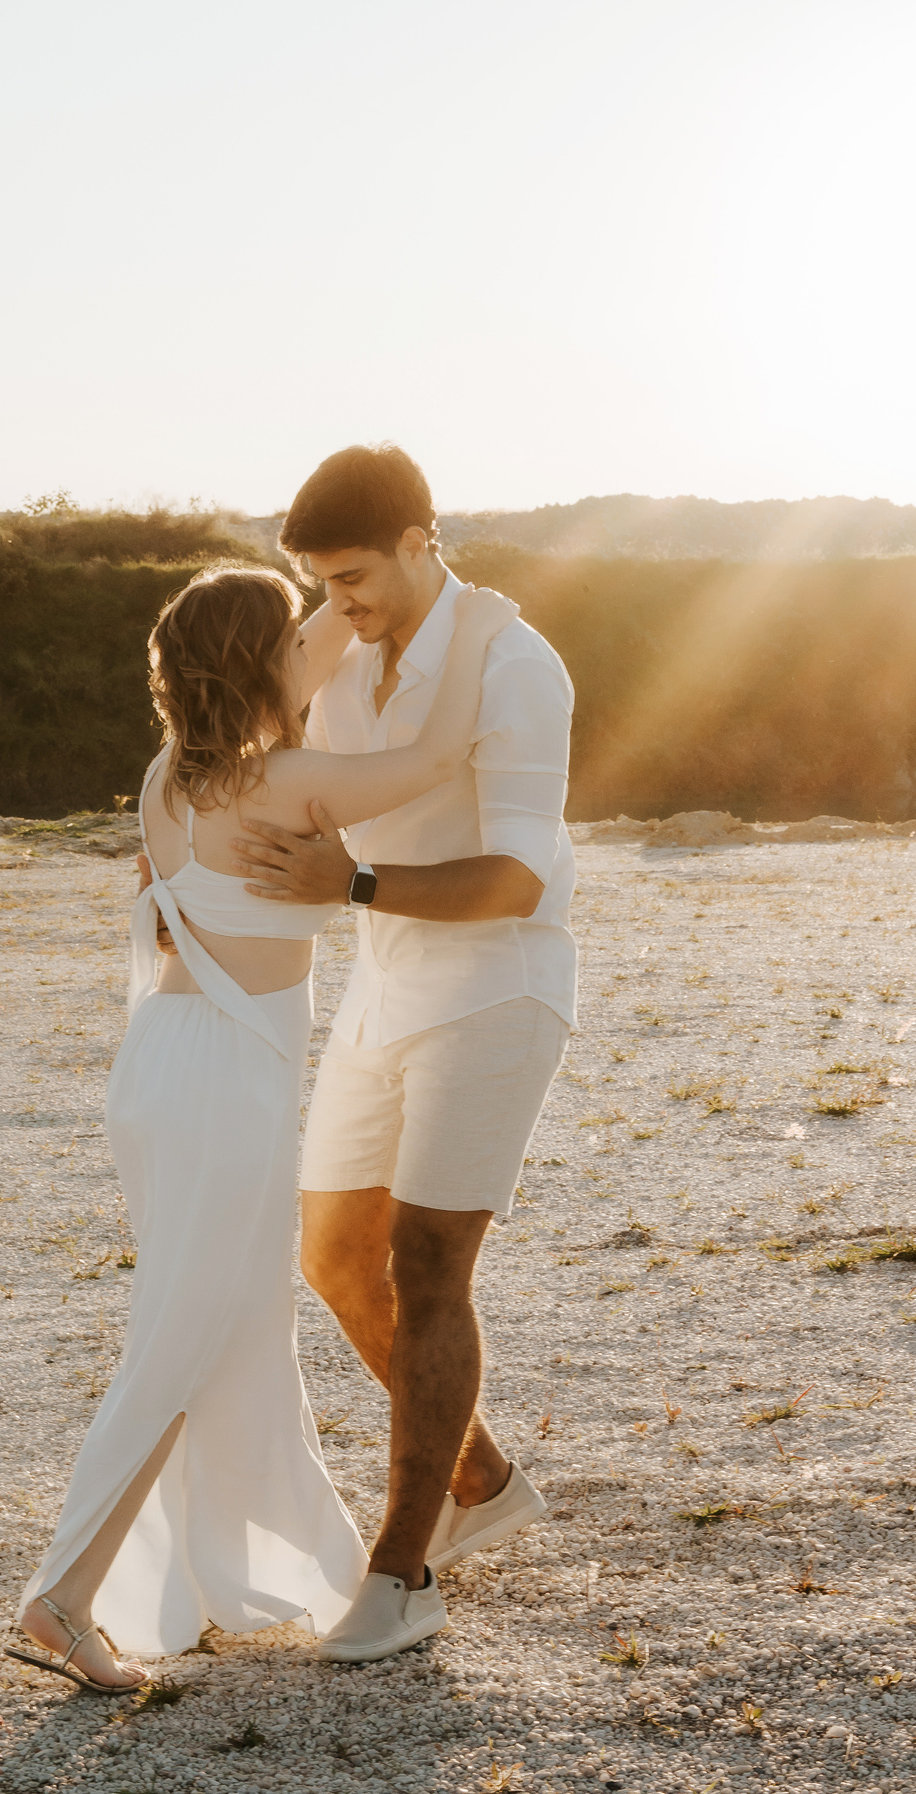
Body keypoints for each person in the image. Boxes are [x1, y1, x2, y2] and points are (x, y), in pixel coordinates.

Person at [7, 560, 516, 1693]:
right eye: (291, 640)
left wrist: (337, 601)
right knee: (183, 1339)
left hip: (159, 1069)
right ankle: (66, 1594)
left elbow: (302, 656)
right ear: (264, 667)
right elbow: (435, 760)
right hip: (229, 1083)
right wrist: (475, 623)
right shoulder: (289, 784)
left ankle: (255, 1566)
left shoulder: (165, 781)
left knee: (231, 1332)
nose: (312, 649)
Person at [229, 444, 578, 1663]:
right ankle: (480, 1482)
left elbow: (519, 877)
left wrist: (358, 880)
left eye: (358, 577)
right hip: (384, 988)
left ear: (425, 537)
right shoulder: (335, 650)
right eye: (322, 584)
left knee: (429, 1264)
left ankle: (403, 1571)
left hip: (496, 986)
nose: (343, 602)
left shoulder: (517, 664)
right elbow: (253, 757)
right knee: (333, 1257)